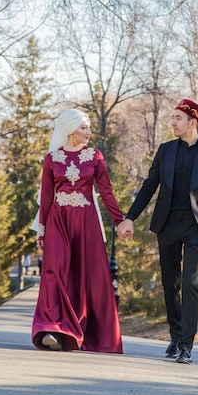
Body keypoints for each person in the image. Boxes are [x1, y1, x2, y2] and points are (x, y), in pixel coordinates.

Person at [117, 98, 198, 364]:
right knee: (170, 285)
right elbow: (149, 186)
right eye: (173, 117)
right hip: (167, 224)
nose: (173, 122)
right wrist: (129, 217)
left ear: (193, 122)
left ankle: (187, 345)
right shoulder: (165, 150)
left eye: (178, 118)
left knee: (190, 283)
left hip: (196, 227)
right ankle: (176, 336)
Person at [31, 108, 124, 354]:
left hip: (86, 222)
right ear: (70, 129)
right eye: (84, 127)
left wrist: (119, 221)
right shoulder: (51, 159)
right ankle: (52, 328)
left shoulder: (95, 157)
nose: (89, 132)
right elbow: (47, 197)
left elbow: (106, 192)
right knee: (55, 270)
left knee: (85, 275)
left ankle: (79, 331)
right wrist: (41, 230)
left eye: (89, 127)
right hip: (58, 220)